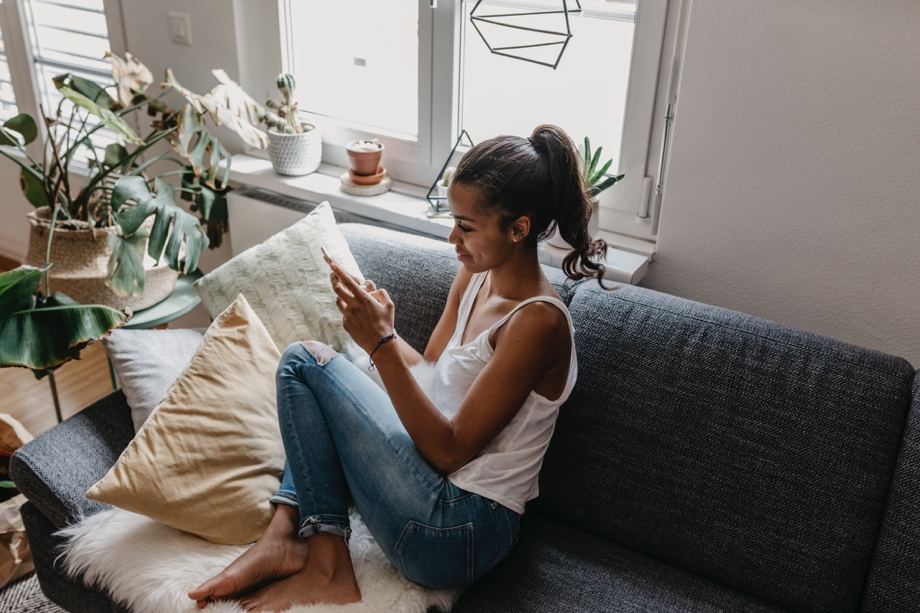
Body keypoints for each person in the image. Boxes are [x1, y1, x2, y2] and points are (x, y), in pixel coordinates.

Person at [188, 124, 611, 611]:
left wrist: (383, 345)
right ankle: (285, 534)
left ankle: (325, 567)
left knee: (306, 362)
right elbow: (430, 373)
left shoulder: (537, 322)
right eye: (454, 221)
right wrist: (377, 333)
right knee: (336, 360)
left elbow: (450, 451)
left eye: (467, 227)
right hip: (428, 491)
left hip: (459, 529)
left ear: (518, 228)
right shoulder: (476, 277)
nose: (453, 237)